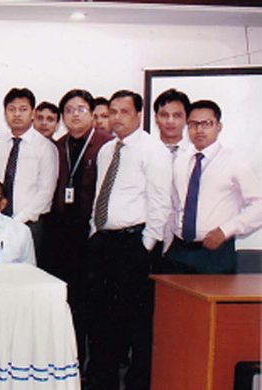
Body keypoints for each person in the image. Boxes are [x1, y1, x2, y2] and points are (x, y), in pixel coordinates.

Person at [86, 90, 171, 390]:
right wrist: (95, 232)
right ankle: (102, 382)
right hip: (103, 243)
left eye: (124, 111)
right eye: (112, 111)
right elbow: (101, 194)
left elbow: (160, 202)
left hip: (133, 244)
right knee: (101, 320)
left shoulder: (153, 150)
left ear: (138, 115)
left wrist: (145, 245)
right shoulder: (108, 150)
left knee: (135, 324)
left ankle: (136, 385)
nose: (117, 117)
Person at [44, 89, 113, 382]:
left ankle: (92, 373)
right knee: (63, 307)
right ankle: (67, 367)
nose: (75, 114)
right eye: (69, 110)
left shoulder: (106, 146)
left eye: (81, 109)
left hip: (92, 237)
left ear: (92, 113)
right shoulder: (56, 147)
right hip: (59, 235)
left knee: (92, 309)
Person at [166, 100, 262, 274]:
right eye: (193, 124)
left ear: (219, 126)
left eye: (207, 124)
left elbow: (259, 204)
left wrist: (226, 230)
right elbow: (174, 205)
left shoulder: (235, 161)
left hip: (215, 253)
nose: (199, 130)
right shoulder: (181, 161)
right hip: (178, 251)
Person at [0, 87, 57, 259]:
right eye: (12, 109)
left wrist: (17, 221)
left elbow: (45, 192)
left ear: (32, 113)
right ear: (5, 112)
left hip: (30, 223)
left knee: (27, 275)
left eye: (23, 109)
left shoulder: (45, 147)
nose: (17, 114)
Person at [153, 88, 191, 158]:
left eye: (176, 115)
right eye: (164, 115)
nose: (170, 121)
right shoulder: (146, 151)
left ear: (187, 118)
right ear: (156, 118)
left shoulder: (194, 152)